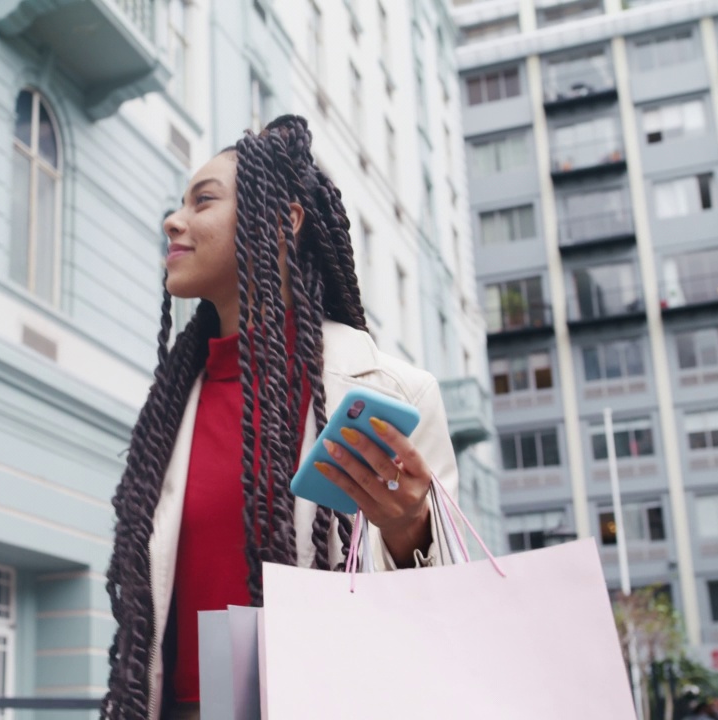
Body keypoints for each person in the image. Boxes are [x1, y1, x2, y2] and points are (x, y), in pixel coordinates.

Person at [101, 115, 460, 720]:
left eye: (203, 201)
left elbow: (449, 600)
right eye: (178, 204)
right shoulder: (168, 409)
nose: (174, 220)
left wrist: (409, 527)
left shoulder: (395, 391)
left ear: (282, 220)